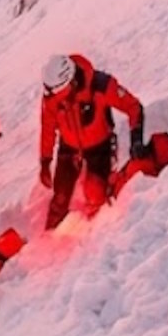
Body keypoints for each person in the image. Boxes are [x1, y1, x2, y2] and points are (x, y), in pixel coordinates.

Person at [40, 53, 146, 229]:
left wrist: (136, 139)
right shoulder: (52, 96)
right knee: (59, 198)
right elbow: (48, 127)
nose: (53, 98)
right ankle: (48, 238)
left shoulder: (101, 86)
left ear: (70, 82)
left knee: (95, 193)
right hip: (69, 147)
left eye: (58, 93)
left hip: (100, 147)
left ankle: (96, 236)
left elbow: (133, 107)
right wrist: (45, 161)